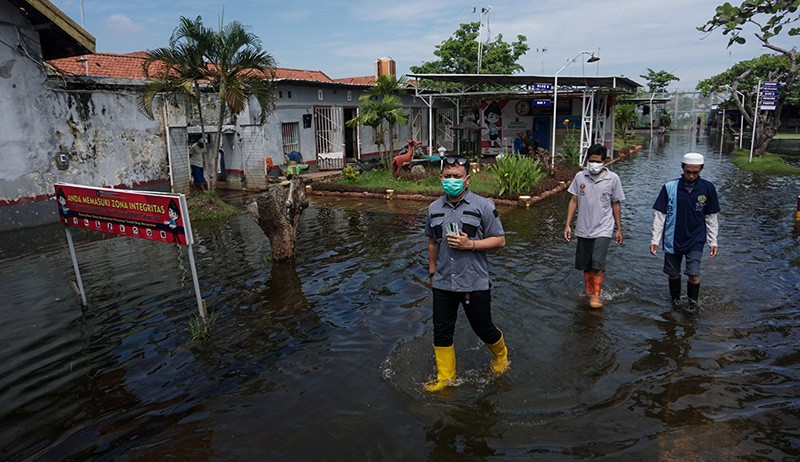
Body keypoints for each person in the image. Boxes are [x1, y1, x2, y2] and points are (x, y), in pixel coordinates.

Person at [423, 155, 508, 392]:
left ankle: (501, 356)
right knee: (441, 331)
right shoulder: (433, 209)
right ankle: (445, 378)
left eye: (457, 177)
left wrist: (470, 244)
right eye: (448, 176)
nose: (452, 181)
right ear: (440, 178)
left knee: (483, 328)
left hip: (474, 281)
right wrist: (431, 272)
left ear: (467, 179)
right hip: (442, 281)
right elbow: (432, 242)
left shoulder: (484, 206)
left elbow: (500, 241)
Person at [650, 152, 720, 310]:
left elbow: (711, 217)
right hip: (672, 237)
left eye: (695, 172)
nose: (691, 175)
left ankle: (692, 304)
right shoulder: (670, 188)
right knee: (673, 273)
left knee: (694, 273)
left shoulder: (708, 188)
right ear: (682, 168)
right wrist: (655, 239)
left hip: (696, 237)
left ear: (701, 169)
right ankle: (675, 301)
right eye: (688, 172)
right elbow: (660, 216)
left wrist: (712, 241)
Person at [563, 144, 625, 309]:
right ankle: (589, 291)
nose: (593, 164)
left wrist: (619, 228)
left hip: (604, 228)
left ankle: (596, 295)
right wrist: (567, 224)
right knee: (586, 264)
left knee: (598, 263)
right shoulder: (580, 177)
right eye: (591, 161)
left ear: (604, 161)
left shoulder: (613, 179)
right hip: (583, 227)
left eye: (597, 161)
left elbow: (616, 204)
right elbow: (574, 200)